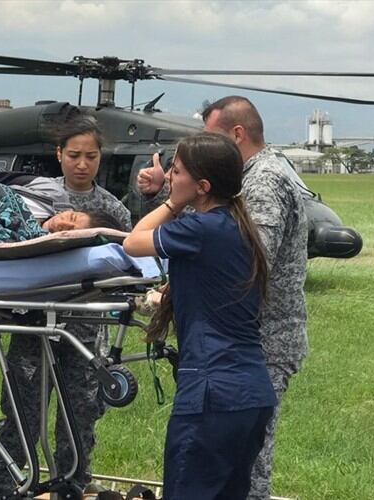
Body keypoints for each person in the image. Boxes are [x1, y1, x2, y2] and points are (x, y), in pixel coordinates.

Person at [136, 96, 307, 500]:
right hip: (245, 366)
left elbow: (246, 260)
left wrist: (175, 202)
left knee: (234, 483)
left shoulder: (262, 180)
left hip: (242, 358)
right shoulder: (236, 196)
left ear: (235, 135)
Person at [0, 119, 131, 494]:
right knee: (21, 412)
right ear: (58, 155)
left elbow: (125, 262)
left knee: (80, 414)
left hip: (84, 328)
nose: (82, 164)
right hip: (33, 322)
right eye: (74, 155)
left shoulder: (112, 208)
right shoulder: (37, 198)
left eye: (91, 156)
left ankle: (73, 484)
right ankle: (2, 485)